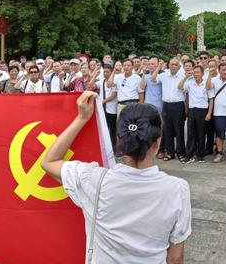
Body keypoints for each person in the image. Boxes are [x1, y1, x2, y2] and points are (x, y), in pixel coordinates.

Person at [41, 92, 191, 263]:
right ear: (157, 143)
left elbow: (49, 162)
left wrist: (81, 118)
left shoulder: (94, 180)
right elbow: (175, 258)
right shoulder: (178, 189)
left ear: (119, 139)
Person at [151, 58, 186, 162]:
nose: (173, 66)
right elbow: (153, 79)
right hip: (166, 105)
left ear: (179, 67)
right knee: (167, 130)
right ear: (168, 65)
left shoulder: (183, 76)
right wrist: (158, 67)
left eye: (176, 64)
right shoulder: (164, 75)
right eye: (172, 64)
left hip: (178, 105)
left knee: (179, 130)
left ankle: (180, 152)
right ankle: (170, 152)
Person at [179, 65, 212, 163]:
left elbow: (211, 99)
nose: (195, 74)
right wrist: (186, 76)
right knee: (191, 133)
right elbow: (180, 87)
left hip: (202, 111)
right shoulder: (190, 83)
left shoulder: (206, 83)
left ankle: (200, 155)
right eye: (194, 72)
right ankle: (189, 155)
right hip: (192, 110)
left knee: (201, 134)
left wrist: (209, 113)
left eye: (198, 72)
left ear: (202, 73)